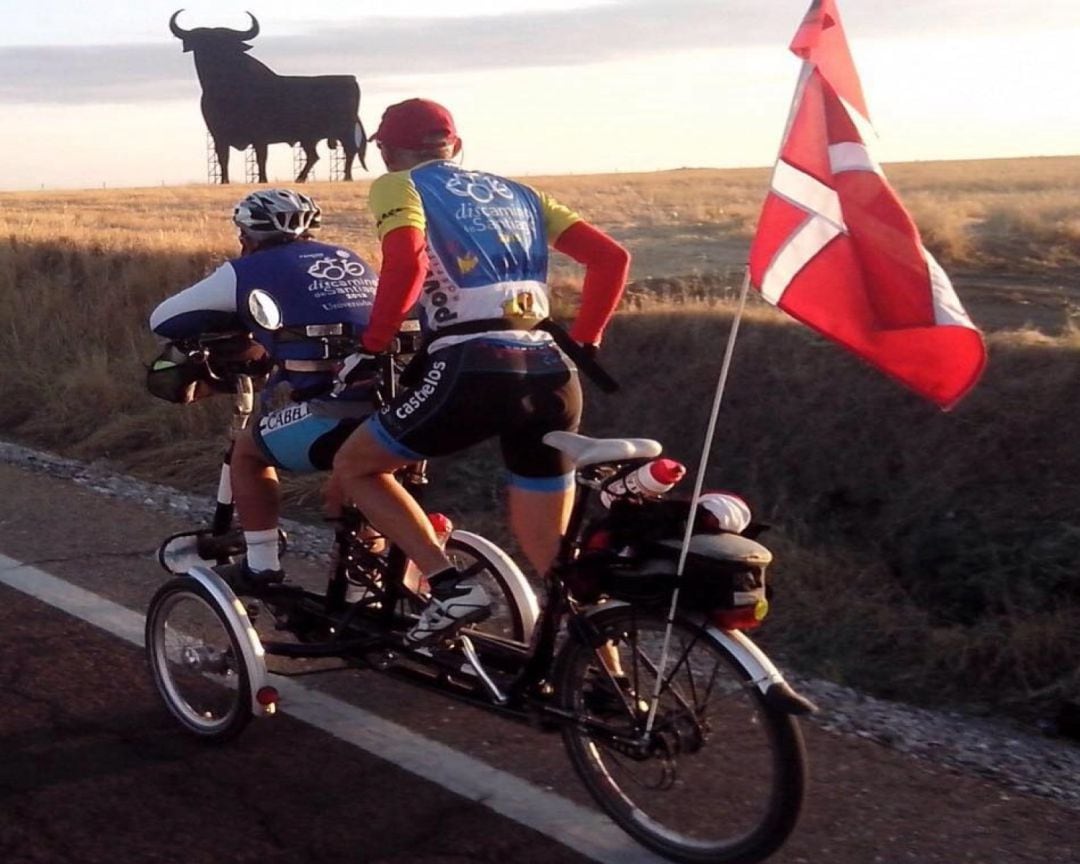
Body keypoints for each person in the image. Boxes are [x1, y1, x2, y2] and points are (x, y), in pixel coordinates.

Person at [332, 98, 630, 645]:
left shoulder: (400, 185)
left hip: (474, 366)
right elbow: (612, 259)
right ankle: (604, 680)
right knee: (551, 549)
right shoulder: (522, 193)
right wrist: (585, 340)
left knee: (358, 466)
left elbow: (408, 262)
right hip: (552, 370)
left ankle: (448, 586)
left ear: (387, 152)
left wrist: (375, 343)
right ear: (457, 145)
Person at [150, 189, 379, 585]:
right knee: (366, 484)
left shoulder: (248, 269)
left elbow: (164, 318)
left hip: (338, 407)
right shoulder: (350, 259)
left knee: (249, 452)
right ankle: (364, 589)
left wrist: (237, 322)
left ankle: (261, 565)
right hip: (400, 401)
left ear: (248, 235)